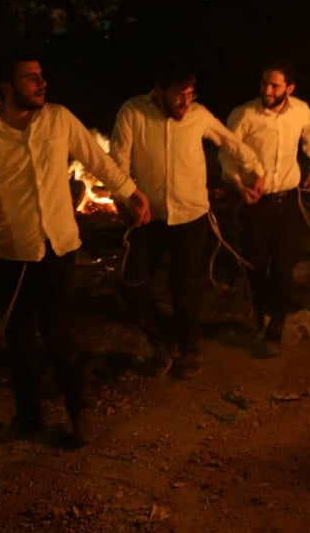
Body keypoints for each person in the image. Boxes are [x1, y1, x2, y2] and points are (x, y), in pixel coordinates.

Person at [0, 52, 150, 445]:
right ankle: (29, 416)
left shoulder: (59, 118)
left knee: (60, 338)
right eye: (30, 78)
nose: (41, 82)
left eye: (41, 75)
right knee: (18, 340)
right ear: (6, 86)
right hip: (12, 256)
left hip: (58, 250)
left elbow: (96, 159)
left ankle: (77, 415)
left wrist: (130, 191)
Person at [111, 60, 264, 380]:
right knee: (130, 284)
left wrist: (256, 171)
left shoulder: (198, 116)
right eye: (179, 95)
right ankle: (160, 341)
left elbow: (231, 142)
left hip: (191, 216)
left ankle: (189, 349)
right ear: (159, 92)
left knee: (185, 289)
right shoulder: (133, 112)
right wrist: (127, 199)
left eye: (191, 94)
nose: (185, 102)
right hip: (148, 218)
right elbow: (118, 161)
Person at [222, 61, 310, 357]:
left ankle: (275, 328)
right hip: (256, 204)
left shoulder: (300, 111)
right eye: (264, 84)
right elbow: (227, 155)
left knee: (284, 266)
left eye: (275, 86)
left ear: (289, 89)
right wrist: (240, 187)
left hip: (289, 201)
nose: (267, 91)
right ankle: (264, 313)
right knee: (255, 265)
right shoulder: (244, 115)